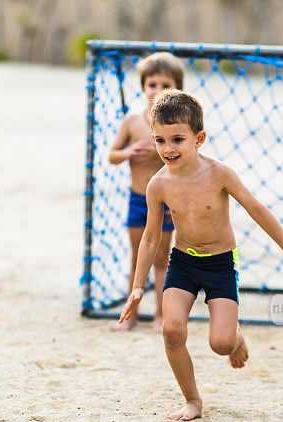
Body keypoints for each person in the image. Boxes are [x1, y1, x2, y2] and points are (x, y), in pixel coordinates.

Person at [119, 90, 283, 421]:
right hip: (183, 264)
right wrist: (138, 287)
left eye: (177, 139)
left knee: (221, 344)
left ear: (198, 138)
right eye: (160, 140)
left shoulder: (219, 174)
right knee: (173, 331)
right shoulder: (157, 186)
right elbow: (151, 237)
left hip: (221, 265)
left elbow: (257, 209)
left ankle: (236, 337)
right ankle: (193, 400)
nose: (168, 149)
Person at [108, 52, 184, 332]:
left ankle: (160, 316)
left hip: (166, 203)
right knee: (136, 257)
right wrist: (129, 152)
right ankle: (131, 316)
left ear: (178, 89)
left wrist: (165, 150)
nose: (158, 91)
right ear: (143, 86)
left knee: (162, 259)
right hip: (138, 199)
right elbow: (112, 155)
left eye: (166, 85)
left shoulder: (177, 126)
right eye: (152, 84)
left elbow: (190, 157)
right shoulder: (132, 122)